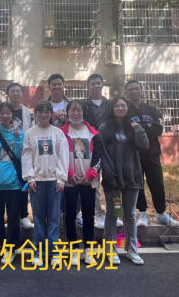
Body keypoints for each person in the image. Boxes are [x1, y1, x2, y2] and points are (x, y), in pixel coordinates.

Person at [97, 97, 149, 265]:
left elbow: (144, 146)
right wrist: (111, 177)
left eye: (123, 105)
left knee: (130, 214)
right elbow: (104, 155)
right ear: (112, 109)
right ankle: (110, 249)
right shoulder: (104, 128)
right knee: (112, 214)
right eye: (117, 106)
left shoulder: (132, 128)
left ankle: (132, 249)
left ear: (128, 108)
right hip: (113, 178)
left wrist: (138, 128)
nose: (120, 108)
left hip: (132, 176)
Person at [125, 80, 179, 227]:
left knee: (157, 184)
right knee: (138, 185)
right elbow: (126, 131)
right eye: (131, 89)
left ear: (142, 91)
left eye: (137, 88)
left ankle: (161, 214)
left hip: (152, 153)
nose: (134, 91)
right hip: (134, 155)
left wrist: (138, 126)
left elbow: (159, 129)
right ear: (126, 93)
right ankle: (143, 214)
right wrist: (147, 126)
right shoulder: (125, 110)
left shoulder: (151, 109)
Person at [22, 100, 69, 267]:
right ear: (36, 114)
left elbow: (64, 157)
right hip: (37, 182)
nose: (43, 115)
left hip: (54, 182)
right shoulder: (30, 133)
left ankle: (54, 252)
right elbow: (26, 157)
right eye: (40, 112)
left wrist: (61, 179)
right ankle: (38, 252)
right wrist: (30, 178)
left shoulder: (58, 133)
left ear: (51, 115)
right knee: (38, 218)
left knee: (54, 218)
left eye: (47, 112)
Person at [61, 99, 100, 266]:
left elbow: (98, 156)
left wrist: (90, 175)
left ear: (84, 112)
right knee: (70, 215)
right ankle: (74, 249)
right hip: (70, 181)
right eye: (72, 110)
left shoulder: (93, 133)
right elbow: (60, 156)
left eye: (79, 110)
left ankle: (88, 249)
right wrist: (69, 174)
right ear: (67, 112)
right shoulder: (62, 133)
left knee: (89, 215)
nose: (76, 113)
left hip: (88, 181)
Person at [0, 102, 24, 264]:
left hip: (14, 182)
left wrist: (18, 138)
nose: (5, 116)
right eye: (2, 113)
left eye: (8, 113)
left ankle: (11, 249)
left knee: (14, 217)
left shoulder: (19, 133)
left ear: (12, 115)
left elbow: (21, 156)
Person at [82, 73, 121, 229]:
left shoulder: (111, 104)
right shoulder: (84, 106)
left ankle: (117, 213)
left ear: (102, 85)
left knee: (115, 182)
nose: (96, 86)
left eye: (98, 83)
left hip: (111, 147)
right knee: (94, 182)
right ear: (88, 86)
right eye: (93, 83)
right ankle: (99, 214)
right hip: (93, 148)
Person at [6, 82, 35, 230]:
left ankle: (23, 215)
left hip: (24, 153)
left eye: (18, 91)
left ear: (22, 94)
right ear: (8, 94)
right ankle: (11, 216)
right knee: (9, 186)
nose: (15, 94)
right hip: (6, 154)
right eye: (12, 91)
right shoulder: (3, 111)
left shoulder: (29, 114)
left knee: (23, 184)